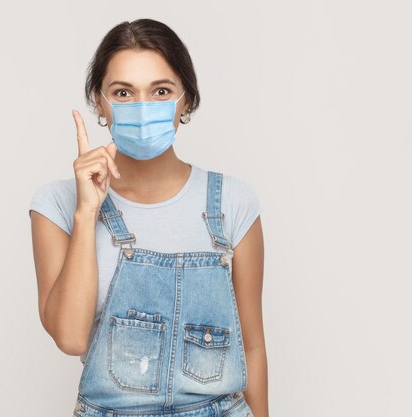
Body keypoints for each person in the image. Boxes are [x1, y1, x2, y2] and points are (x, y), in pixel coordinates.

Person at [29, 18, 268, 417]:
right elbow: (70, 338)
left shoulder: (233, 202)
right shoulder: (57, 204)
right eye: (123, 92)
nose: (143, 108)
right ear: (99, 102)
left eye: (161, 91)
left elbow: (253, 346)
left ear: (186, 100)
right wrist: (88, 211)